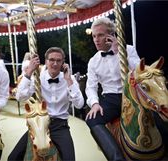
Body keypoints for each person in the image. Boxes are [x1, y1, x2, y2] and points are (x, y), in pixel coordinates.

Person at [8, 47, 84, 161]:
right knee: (13, 157)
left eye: (59, 61)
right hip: (39, 125)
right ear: (46, 61)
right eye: (51, 60)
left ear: (63, 63)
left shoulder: (70, 79)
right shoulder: (38, 78)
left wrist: (68, 80)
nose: (55, 63)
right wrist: (29, 72)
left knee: (69, 158)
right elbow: (20, 97)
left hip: (59, 125)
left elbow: (80, 104)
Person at [85, 17, 140, 161]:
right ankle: (116, 158)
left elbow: (140, 72)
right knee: (92, 119)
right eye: (94, 36)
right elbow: (90, 87)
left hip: (133, 94)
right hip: (111, 99)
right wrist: (95, 103)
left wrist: (120, 53)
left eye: (100, 35)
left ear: (111, 35)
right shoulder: (93, 61)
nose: (96, 39)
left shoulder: (128, 49)